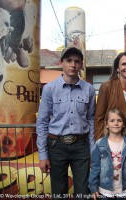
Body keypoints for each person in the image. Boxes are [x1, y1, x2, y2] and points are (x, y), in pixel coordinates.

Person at [36, 47, 96, 199]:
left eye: (77, 61)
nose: (73, 65)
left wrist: (92, 149)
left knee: (83, 191)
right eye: (69, 60)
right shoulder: (49, 89)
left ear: (81, 65)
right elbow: (42, 122)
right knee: (58, 191)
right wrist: (43, 155)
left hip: (81, 146)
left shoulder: (88, 89)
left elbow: (91, 119)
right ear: (61, 62)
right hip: (56, 146)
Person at [88, 108, 126, 200]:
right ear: (106, 124)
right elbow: (95, 167)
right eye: (112, 121)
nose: (116, 123)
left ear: (123, 124)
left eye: (119, 120)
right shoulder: (99, 144)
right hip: (104, 191)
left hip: (124, 192)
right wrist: (93, 187)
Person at [95, 51, 126, 141]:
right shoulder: (107, 86)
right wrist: (99, 142)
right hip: (113, 139)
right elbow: (99, 117)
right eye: (123, 64)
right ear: (117, 68)